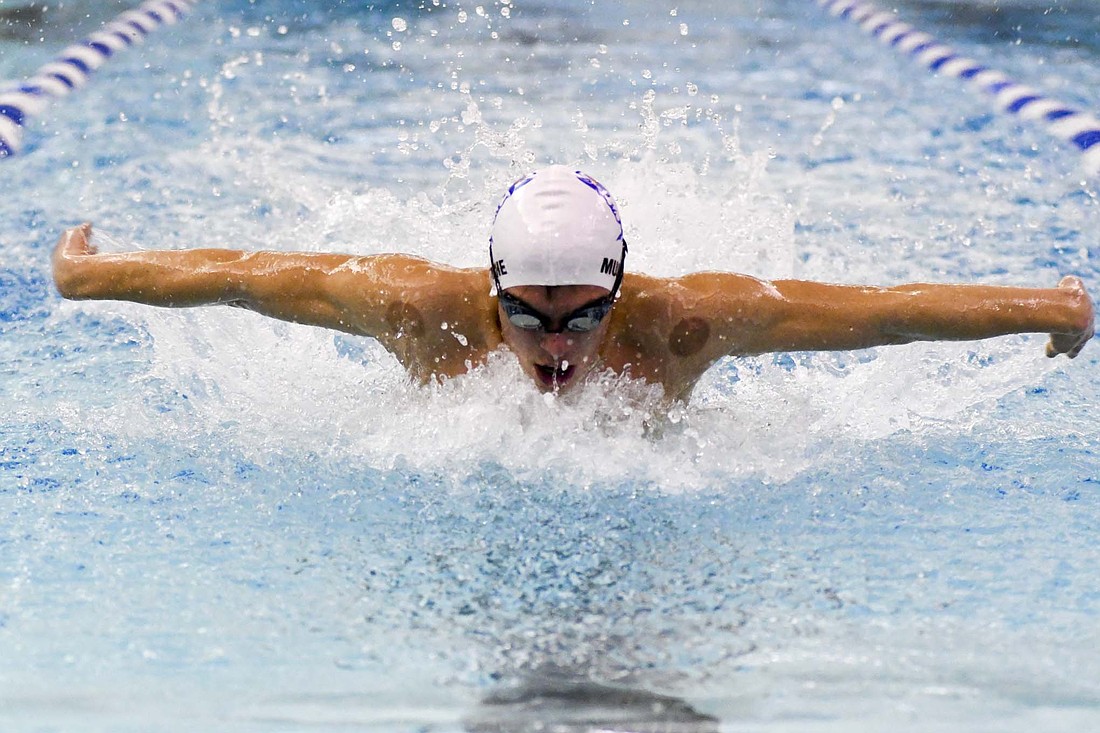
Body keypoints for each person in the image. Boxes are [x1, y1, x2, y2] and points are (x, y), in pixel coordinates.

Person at [52, 165, 1094, 402]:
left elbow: (880, 312)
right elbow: (245, 279)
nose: (559, 347)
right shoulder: (417, 309)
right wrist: (91, 278)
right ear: (492, 287)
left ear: (619, 291)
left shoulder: (683, 321)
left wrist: (1049, 310)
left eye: (585, 319)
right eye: (531, 318)